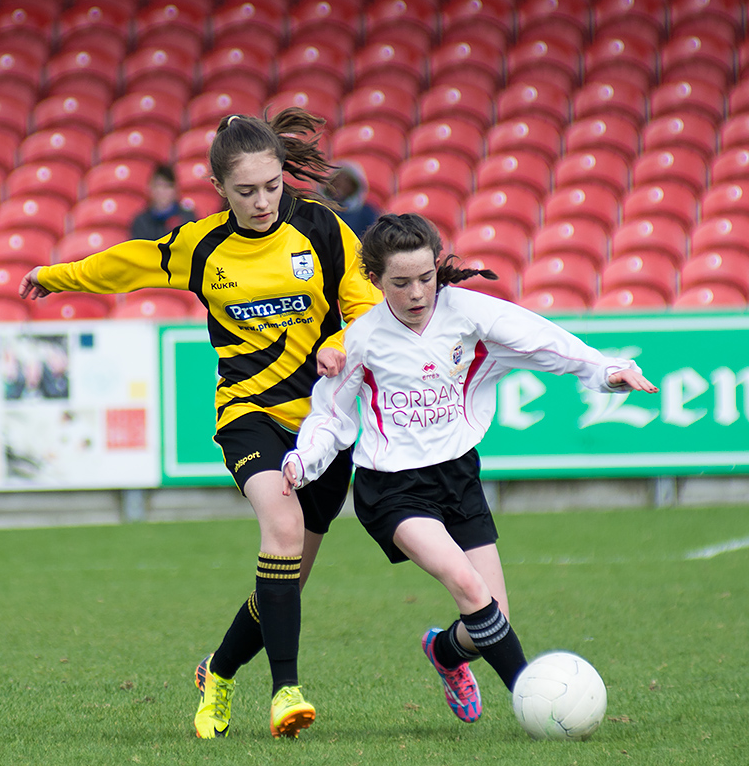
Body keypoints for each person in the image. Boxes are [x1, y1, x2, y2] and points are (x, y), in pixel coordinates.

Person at [19, 109, 382, 740]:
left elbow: (368, 308)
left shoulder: (323, 228)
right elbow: (129, 263)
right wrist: (56, 277)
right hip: (248, 414)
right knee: (282, 528)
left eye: (272, 186)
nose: (263, 201)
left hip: (325, 425)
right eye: (246, 191)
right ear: (218, 189)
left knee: (284, 581)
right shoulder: (202, 245)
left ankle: (217, 671)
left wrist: (340, 343)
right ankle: (286, 691)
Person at [282, 213, 659, 724]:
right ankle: (536, 703)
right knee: (468, 586)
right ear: (375, 281)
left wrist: (605, 370)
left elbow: (542, 341)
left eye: (425, 277)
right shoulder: (361, 339)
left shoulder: (468, 313)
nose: (417, 292)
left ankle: (445, 652)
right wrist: (303, 459)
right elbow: (330, 416)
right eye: (401, 283)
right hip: (391, 490)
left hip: (458, 477)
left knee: (490, 619)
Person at [130, 164, 197, 240]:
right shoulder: (141, 221)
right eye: (158, 186)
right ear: (150, 188)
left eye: (167, 186)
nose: (162, 191)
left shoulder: (187, 217)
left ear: (175, 190)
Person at [322, 161, 379, 238]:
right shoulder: (317, 208)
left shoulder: (366, 213)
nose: (340, 185)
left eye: (346, 182)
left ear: (354, 187)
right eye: (336, 180)